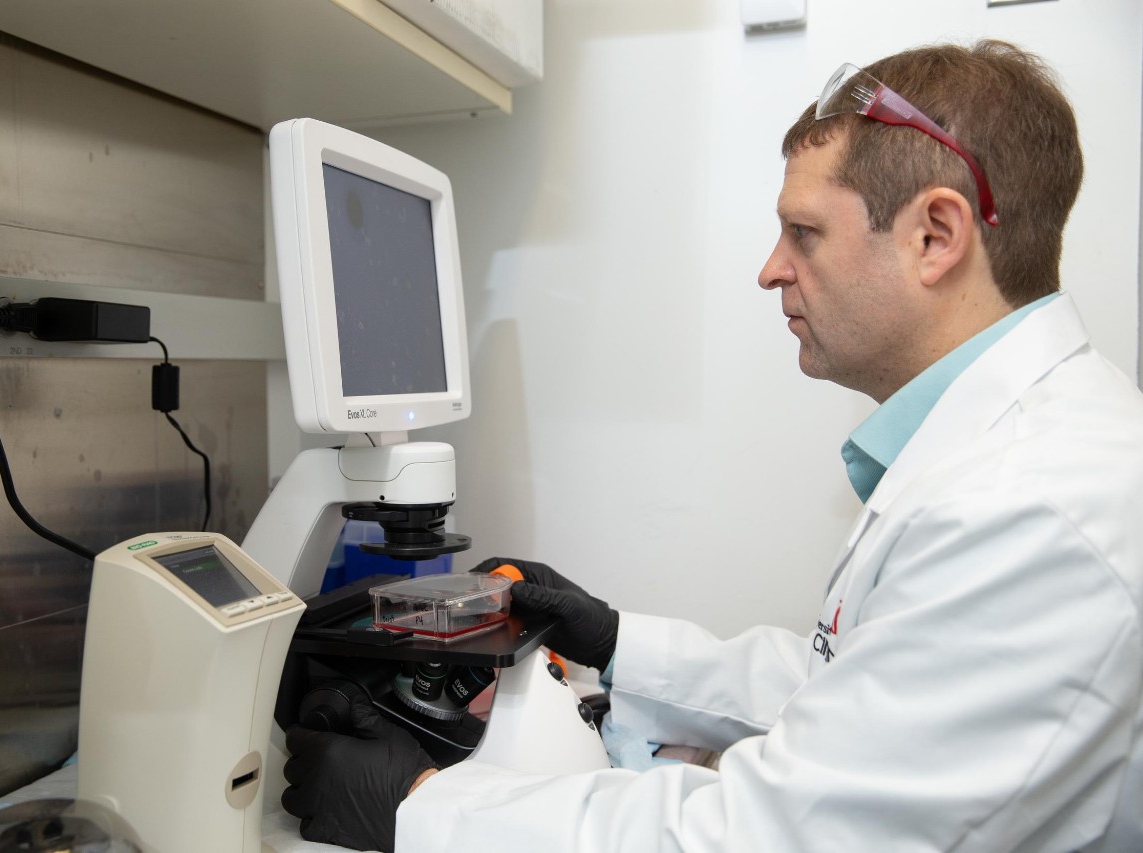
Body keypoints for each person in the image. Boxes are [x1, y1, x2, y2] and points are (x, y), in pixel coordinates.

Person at [281, 40, 1143, 852]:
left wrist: (425, 808)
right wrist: (617, 639)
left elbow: (766, 836)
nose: (770, 269)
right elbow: (854, 696)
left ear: (935, 236)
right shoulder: (1015, 455)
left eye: (803, 232)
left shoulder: (1029, 506)